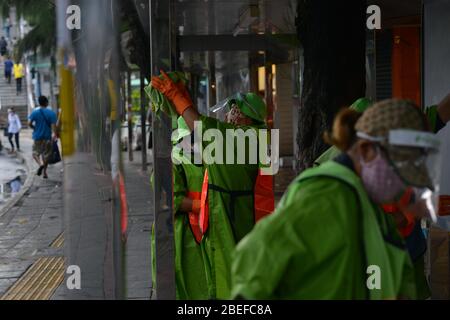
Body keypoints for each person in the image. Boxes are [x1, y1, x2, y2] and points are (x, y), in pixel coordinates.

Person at [230, 99, 441, 299]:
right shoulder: (325, 195)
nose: (405, 182)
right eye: (400, 168)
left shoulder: (361, 197)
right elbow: (255, 259)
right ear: (366, 150)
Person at [151, 71, 274, 299]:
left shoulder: (247, 140)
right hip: (237, 223)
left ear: (248, 119)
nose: (229, 116)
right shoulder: (258, 139)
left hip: (231, 226)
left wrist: (177, 97)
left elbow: (202, 128)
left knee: (229, 288)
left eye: (235, 112)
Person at [28, 96, 57, 179]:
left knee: (35, 153)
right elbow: (53, 127)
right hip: (47, 137)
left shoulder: (35, 113)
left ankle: (40, 164)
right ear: (46, 103)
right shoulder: (51, 113)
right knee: (46, 155)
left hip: (37, 137)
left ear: (39, 103)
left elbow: (29, 123)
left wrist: (34, 128)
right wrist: (54, 135)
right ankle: (44, 173)